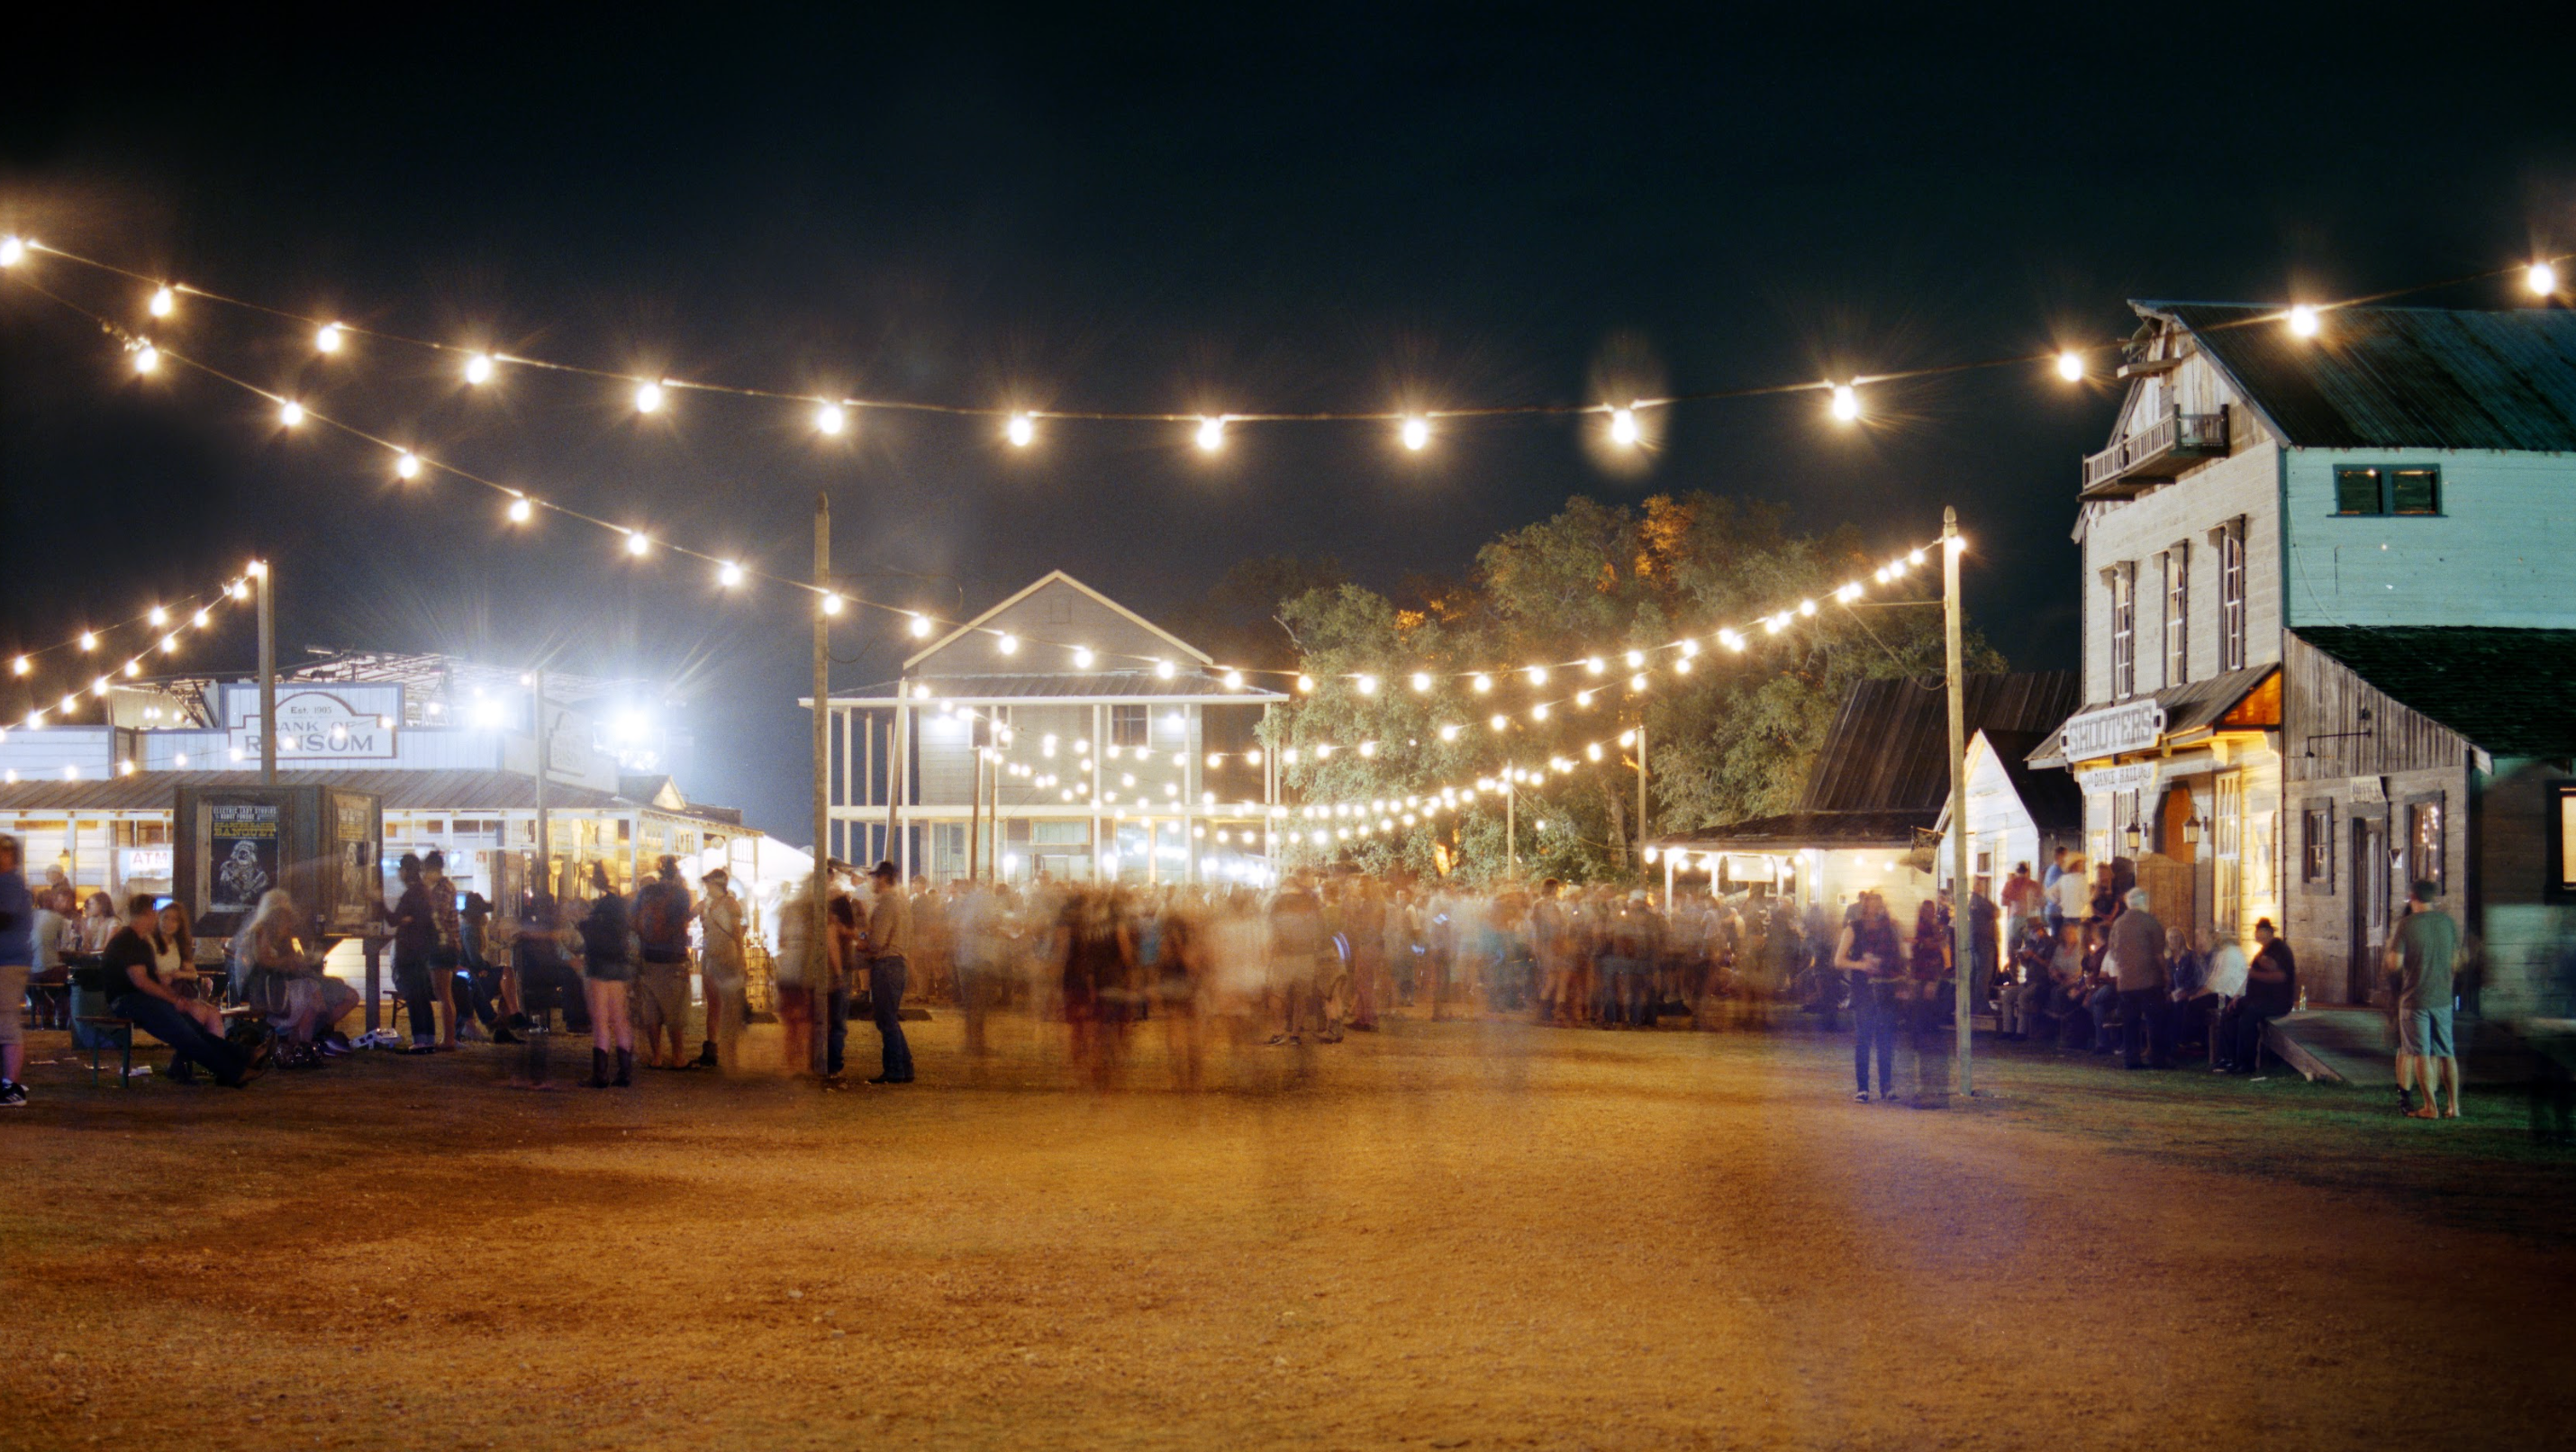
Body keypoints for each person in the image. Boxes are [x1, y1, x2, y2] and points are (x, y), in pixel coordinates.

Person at [99, 893, 263, 1087]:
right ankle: (235, 1070)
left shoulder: (137, 941)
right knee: (186, 1034)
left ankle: (244, 1056)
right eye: (154, 913)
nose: (156, 918)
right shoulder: (129, 940)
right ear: (147, 914)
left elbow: (148, 981)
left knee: (194, 1030)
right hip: (128, 1001)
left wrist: (172, 998)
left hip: (140, 999)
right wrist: (173, 999)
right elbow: (141, 981)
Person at [2388, 881, 2463, 1120]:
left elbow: (2395, 963)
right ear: (2432, 897)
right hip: (2443, 998)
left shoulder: (2408, 925)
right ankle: (2454, 1106)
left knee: (2421, 1053)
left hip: (2415, 998)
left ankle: (2430, 1107)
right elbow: (2456, 962)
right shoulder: (2447, 923)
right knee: (2447, 1053)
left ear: (2412, 897)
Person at [630, 855, 697, 1070]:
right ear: (676, 872)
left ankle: (657, 1057)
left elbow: (633, 920)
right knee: (675, 1010)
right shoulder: (681, 894)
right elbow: (683, 921)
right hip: (673, 958)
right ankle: (678, 1057)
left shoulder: (645, 892)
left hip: (648, 957)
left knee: (651, 1011)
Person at [1837, 891, 1903, 1103]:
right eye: (1872, 906)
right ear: (1864, 907)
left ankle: (1886, 1086)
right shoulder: (1854, 928)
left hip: (1885, 989)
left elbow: (1897, 958)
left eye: (1878, 905)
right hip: (1864, 990)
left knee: (1886, 1040)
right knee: (1864, 1039)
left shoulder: (1889, 928)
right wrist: (1860, 965)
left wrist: (1898, 978)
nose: (1875, 910)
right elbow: (1839, 960)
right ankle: (1863, 1088)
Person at [575, 863, 637, 1088]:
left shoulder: (597, 909)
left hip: (598, 966)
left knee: (600, 1020)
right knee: (620, 1018)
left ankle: (600, 1074)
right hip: (619, 966)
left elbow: (587, 938)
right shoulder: (621, 908)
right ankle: (624, 1073)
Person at [863, 860, 915, 1084]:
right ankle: (905, 1067)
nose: (871, 882)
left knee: (886, 1020)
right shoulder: (902, 902)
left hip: (886, 964)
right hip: (898, 962)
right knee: (890, 1018)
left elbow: (877, 942)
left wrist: (861, 940)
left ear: (882, 878)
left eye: (873, 877)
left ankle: (894, 1070)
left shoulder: (886, 903)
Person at [2218, 920, 2294, 1075]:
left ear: (2268, 932)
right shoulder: (2263, 951)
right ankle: (2230, 1058)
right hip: (2257, 998)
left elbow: (2280, 976)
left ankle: (2246, 1063)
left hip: (2276, 1001)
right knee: (2229, 1011)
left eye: (2260, 931)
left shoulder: (2279, 950)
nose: (2257, 935)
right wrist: (2238, 997)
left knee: (2248, 1017)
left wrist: (2255, 974)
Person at [2108, 887, 2170, 1070]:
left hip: (2125, 982)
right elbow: (2159, 953)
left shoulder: (2118, 924)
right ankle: (2158, 1059)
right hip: (2149, 981)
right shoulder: (2150, 922)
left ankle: (2131, 1058)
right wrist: (2165, 973)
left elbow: (2113, 952)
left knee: (2130, 1022)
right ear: (2145, 902)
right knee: (2155, 1021)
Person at [387, 853, 440, 1053]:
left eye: (401, 869)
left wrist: (378, 903)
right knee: (422, 997)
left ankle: (419, 1041)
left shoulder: (411, 894)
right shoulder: (424, 891)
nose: (399, 873)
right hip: (421, 953)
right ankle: (428, 1040)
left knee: (413, 997)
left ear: (406, 870)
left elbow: (394, 919)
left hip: (408, 953)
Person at [695, 868, 748, 1068]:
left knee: (726, 1006)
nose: (706, 887)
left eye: (708, 883)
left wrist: (742, 959)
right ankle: (714, 1048)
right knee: (715, 1005)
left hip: (726, 958)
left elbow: (737, 933)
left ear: (716, 884)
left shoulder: (729, 903)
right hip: (713, 958)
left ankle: (727, 1050)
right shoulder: (708, 904)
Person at [420, 850, 465, 1049]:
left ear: (432, 869)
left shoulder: (442, 888)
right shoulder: (445, 886)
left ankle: (448, 1040)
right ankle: (448, 1038)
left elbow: (437, 916)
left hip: (443, 947)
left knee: (443, 994)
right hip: (447, 946)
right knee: (444, 993)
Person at [0, 834, 32, 1106]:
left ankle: (12, 1087)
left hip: (7, 961)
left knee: (6, 1021)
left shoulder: (9, 881)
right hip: (9, 959)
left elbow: (4, 917)